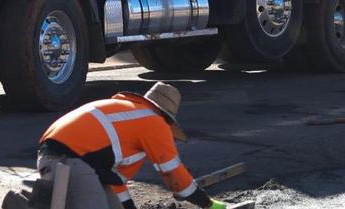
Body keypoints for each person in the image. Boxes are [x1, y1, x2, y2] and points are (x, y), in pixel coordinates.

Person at [34, 82, 228, 209]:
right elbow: (173, 171)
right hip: (72, 158)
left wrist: (128, 206)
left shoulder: (128, 117)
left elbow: (115, 181)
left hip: (52, 156)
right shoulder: (154, 122)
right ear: (167, 118)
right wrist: (207, 204)